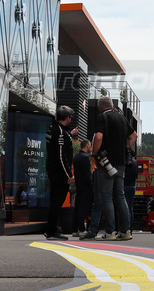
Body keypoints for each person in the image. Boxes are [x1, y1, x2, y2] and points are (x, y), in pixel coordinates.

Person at [81, 95, 132, 241]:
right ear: (112, 105)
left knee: (107, 197)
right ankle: (125, 231)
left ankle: (110, 232)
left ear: (100, 107)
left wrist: (94, 154)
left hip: (106, 162)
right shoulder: (122, 118)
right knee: (120, 196)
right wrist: (126, 149)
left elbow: (98, 137)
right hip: (121, 162)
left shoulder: (102, 118)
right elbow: (133, 135)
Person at [43, 105, 76, 240]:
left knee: (54, 200)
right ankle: (52, 230)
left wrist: (70, 134)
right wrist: (69, 174)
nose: (71, 119)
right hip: (59, 173)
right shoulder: (60, 132)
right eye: (70, 117)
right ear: (67, 118)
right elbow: (61, 155)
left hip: (53, 170)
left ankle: (51, 229)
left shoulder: (53, 129)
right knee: (57, 201)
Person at [72, 138, 93, 235]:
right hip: (85, 186)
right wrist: (91, 183)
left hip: (78, 185)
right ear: (87, 145)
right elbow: (87, 174)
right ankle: (81, 228)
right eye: (90, 145)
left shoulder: (76, 157)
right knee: (83, 207)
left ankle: (75, 229)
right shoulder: (85, 157)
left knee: (77, 206)